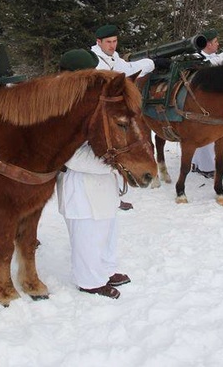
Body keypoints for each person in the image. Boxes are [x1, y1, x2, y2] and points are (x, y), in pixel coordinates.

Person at [56, 49, 131, 299]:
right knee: (87, 232)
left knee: (107, 225)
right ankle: (89, 280)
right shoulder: (59, 105)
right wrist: (111, 163)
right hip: (80, 180)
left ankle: (105, 269)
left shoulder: (89, 99)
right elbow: (68, 153)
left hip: (103, 176)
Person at [91, 24, 158, 210]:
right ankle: (106, 197)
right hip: (96, 112)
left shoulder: (113, 57)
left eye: (114, 41)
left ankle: (114, 195)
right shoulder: (95, 61)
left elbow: (129, 68)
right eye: (108, 42)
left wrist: (153, 62)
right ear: (99, 42)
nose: (112, 45)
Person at [191, 29, 221, 178]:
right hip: (200, 100)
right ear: (208, 44)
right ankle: (205, 167)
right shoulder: (196, 59)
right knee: (205, 134)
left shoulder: (216, 58)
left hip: (211, 99)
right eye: (215, 42)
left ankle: (198, 163)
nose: (218, 44)